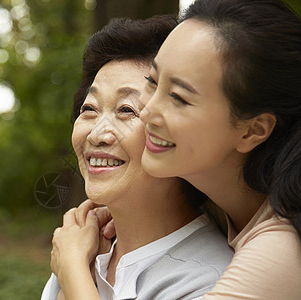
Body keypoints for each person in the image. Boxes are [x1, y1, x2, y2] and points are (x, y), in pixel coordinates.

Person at [53, 0, 301, 299]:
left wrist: (72, 267)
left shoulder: (285, 249)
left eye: (178, 97)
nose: (147, 111)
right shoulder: (227, 207)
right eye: (153, 82)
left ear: (253, 130)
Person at [41, 15, 234, 300]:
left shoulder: (209, 281)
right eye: (89, 109)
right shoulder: (82, 248)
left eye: (127, 110)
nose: (96, 134)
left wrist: (72, 273)